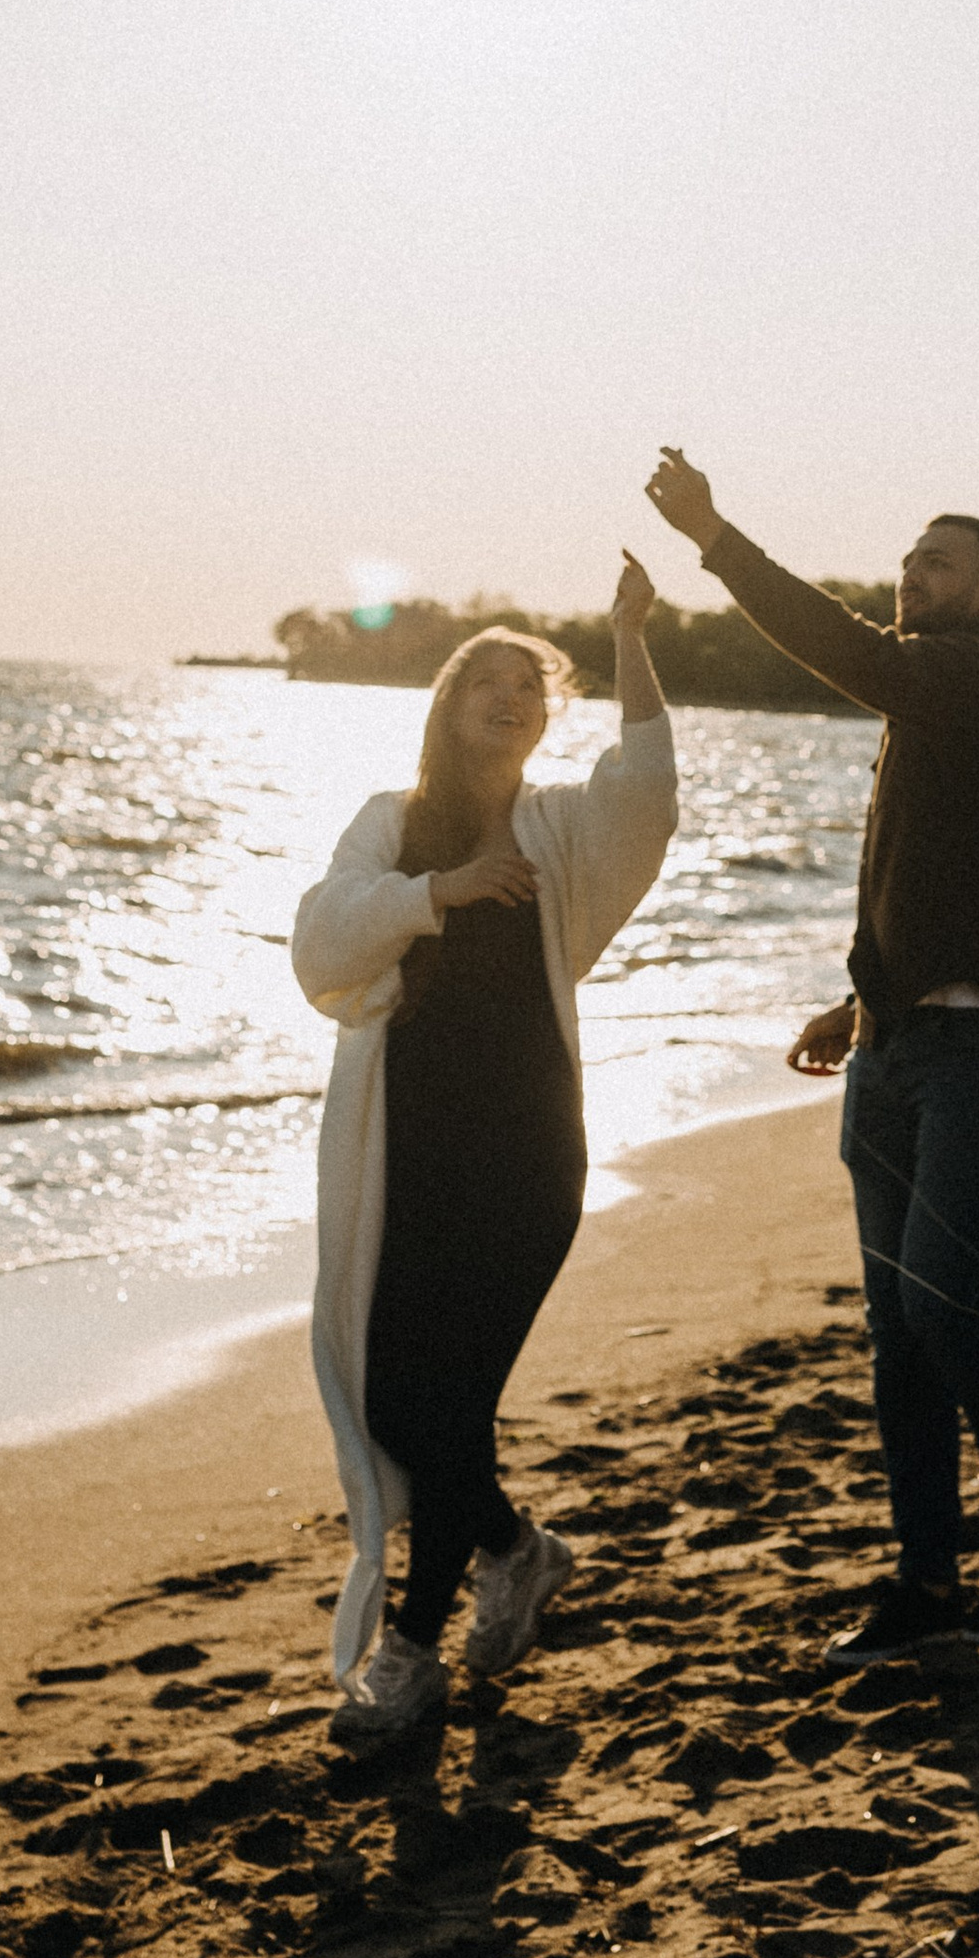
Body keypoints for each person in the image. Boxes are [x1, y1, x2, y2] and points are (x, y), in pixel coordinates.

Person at [643, 448, 979, 1660]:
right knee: (896, 1329)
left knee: (941, 1302)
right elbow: (929, 873)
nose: (910, 576)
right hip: (895, 1048)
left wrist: (715, 538)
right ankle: (924, 1578)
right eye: (906, 561)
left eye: (937, 563)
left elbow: (843, 647)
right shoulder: (927, 703)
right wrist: (858, 999)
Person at [292, 556, 676, 1745]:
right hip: (406, 1160)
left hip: (527, 1158)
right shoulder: (391, 824)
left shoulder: (561, 830)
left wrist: (629, 639)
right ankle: (516, 1551)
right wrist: (441, 891)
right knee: (398, 1403)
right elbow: (321, 949)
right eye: (486, 681)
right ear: (447, 704)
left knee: (449, 1405)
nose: (510, 697)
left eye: (529, 686)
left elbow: (647, 791)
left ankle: (410, 1653)